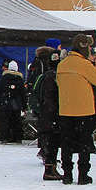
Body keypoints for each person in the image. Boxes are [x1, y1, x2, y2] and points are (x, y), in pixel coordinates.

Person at [56, 34, 96, 185]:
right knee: (84, 144)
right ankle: (83, 174)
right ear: (85, 47)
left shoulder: (62, 64)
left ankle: (67, 173)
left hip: (65, 109)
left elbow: (59, 83)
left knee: (66, 143)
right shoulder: (85, 64)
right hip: (84, 110)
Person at [35, 50, 64, 180]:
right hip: (52, 114)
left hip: (46, 113)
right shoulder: (54, 76)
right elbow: (51, 96)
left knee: (50, 140)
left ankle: (50, 166)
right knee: (52, 140)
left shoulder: (45, 75)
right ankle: (50, 168)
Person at [0, 60, 27, 144]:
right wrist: (24, 105)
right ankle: (18, 138)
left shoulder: (3, 78)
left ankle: (4, 138)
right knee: (17, 121)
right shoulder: (19, 79)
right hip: (17, 103)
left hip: (5, 102)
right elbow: (23, 93)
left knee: (5, 121)